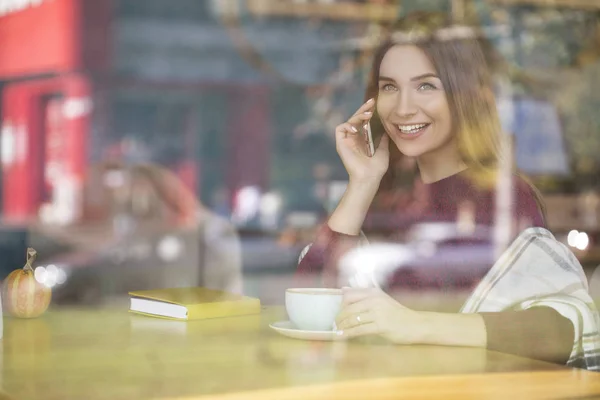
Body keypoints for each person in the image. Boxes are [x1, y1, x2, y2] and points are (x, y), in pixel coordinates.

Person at [294, 11, 599, 368]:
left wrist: (415, 325)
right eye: (389, 86)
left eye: (427, 85)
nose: (404, 108)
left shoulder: (504, 197)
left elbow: (561, 328)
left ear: (463, 95)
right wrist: (362, 183)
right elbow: (308, 304)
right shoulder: (383, 195)